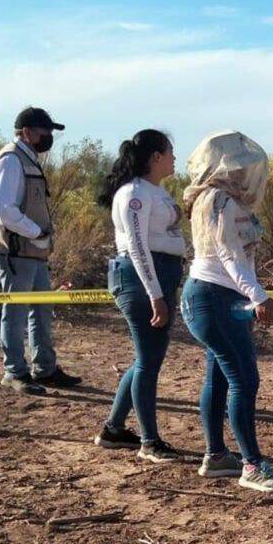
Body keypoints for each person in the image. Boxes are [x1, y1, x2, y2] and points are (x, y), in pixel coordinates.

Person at [179, 131, 273, 493]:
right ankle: (252, 465)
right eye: (240, 167)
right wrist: (258, 297)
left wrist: (253, 294)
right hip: (213, 299)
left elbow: (237, 258)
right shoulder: (218, 201)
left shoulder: (218, 200)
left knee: (220, 377)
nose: (247, 174)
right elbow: (228, 255)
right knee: (244, 379)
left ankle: (216, 456)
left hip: (217, 298)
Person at [92, 130, 186, 462]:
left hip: (159, 277)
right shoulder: (133, 194)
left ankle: (114, 430)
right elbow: (136, 247)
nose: (175, 157)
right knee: (148, 361)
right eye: (171, 151)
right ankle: (149, 441)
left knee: (147, 358)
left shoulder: (154, 191)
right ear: (156, 156)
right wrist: (155, 295)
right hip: (140, 278)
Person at [0, 107, 82, 395]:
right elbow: (2, 209)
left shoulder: (26, 158)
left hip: (33, 250)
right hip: (15, 251)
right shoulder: (11, 160)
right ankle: (14, 371)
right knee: (15, 312)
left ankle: (45, 369)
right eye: (45, 133)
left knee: (41, 309)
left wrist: (39, 237)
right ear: (27, 132)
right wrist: (36, 232)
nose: (48, 138)